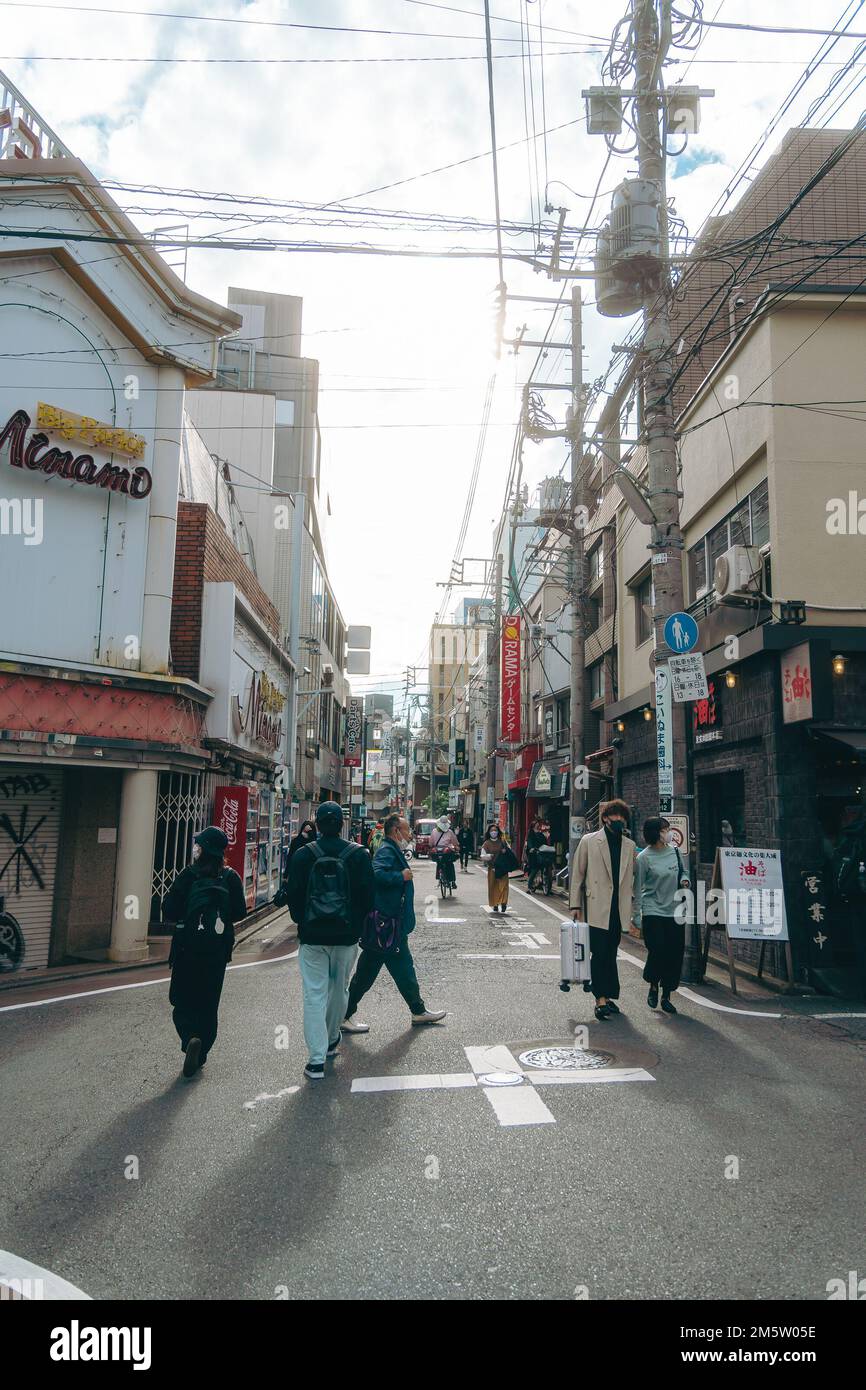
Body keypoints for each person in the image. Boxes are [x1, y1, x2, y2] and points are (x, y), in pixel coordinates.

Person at [287, 801, 375, 1080]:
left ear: (317, 824)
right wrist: (356, 924)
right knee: (340, 988)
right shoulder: (359, 855)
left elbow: (293, 894)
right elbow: (368, 897)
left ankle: (315, 1061)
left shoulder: (303, 855)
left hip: (312, 936)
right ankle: (332, 1036)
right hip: (347, 935)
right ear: (341, 825)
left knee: (314, 994)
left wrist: (303, 921)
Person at [343, 813, 446, 1033]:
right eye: (407, 830)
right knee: (369, 973)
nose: (409, 834)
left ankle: (418, 1010)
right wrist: (401, 877)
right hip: (386, 925)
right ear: (395, 831)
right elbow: (376, 874)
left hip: (391, 925)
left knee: (399, 969)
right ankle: (344, 1013)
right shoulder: (387, 850)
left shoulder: (391, 849)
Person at [162, 826, 247, 1078]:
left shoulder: (189, 875)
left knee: (182, 999)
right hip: (217, 950)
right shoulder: (230, 877)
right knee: (209, 1002)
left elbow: (169, 909)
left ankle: (189, 1037)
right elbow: (240, 911)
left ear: (202, 849)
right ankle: (202, 1048)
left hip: (187, 947)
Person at [569, 799, 637, 1021]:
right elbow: (578, 874)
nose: (618, 820)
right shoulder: (590, 841)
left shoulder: (629, 845)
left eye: (622, 817)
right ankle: (600, 999)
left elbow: (631, 879)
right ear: (605, 818)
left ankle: (608, 995)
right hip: (596, 905)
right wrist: (575, 904)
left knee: (610, 952)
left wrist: (634, 909)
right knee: (599, 952)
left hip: (618, 908)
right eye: (614, 816)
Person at [634, 816, 691, 1015]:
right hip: (653, 910)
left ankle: (667, 995)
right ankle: (653, 984)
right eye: (665, 829)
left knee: (674, 953)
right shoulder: (644, 858)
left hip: (675, 911)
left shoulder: (675, 852)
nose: (669, 833)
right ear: (655, 833)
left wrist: (685, 881)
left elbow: (684, 873)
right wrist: (636, 915)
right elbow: (638, 887)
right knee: (657, 949)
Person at [481, 822, 511, 913]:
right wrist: (488, 856)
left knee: (504, 886)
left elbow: (510, 851)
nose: (494, 832)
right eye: (492, 830)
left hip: (503, 868)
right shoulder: (486, 843)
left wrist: (505, 851)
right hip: (492, 868)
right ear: (489, 832)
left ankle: (504, 903)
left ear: (498, 832)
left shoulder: (502, 841)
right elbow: (482, 855)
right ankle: (495, 904)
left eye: (495, 830)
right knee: (493, 887)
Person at [430, 815, 459, 889]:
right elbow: (455, 842)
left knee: (439, 863)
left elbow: (431, 843)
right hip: (447, 853)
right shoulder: (449, 832)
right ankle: (452, 881)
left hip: (437, 852)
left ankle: (439, 878)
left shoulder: (434, 831)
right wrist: (456, 847)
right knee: (450, 863)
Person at [525, 820, 548, 893]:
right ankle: (529, 887)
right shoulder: (531, 833)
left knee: (545, 866)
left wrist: (546, 847)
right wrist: (531, 848)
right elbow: (529, 841)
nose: (537, 825)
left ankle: (545, 884)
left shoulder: (541, 833)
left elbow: (545, 842)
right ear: (533, 825)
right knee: (534, 870)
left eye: (538, 824)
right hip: (533, 854)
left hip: (540, 852)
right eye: (536, 824)